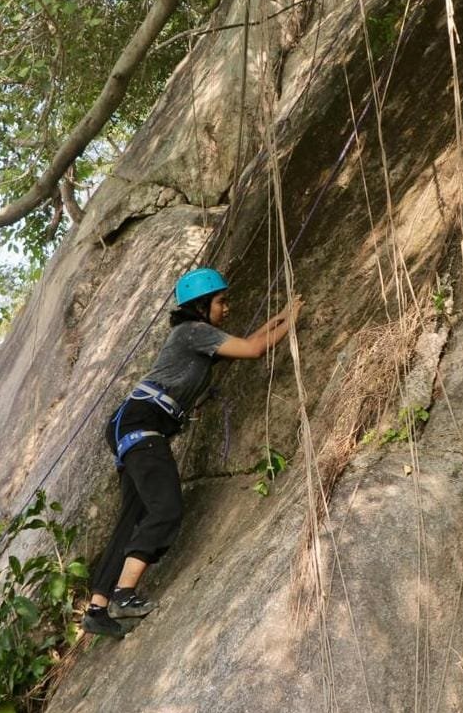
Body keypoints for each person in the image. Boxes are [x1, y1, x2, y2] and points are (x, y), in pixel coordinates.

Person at [82, 267, 304, 638]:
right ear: (201, 306)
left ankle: (97, 608)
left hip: (131, 424)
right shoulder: (193, 331)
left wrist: (281, 316)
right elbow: (254, 349)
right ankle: (123, 594)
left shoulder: (196, 336)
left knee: (133, 516)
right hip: (141, 423)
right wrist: (292, 322)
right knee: (165, 508)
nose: (226, 308)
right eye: (220, 301)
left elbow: (247, 342)